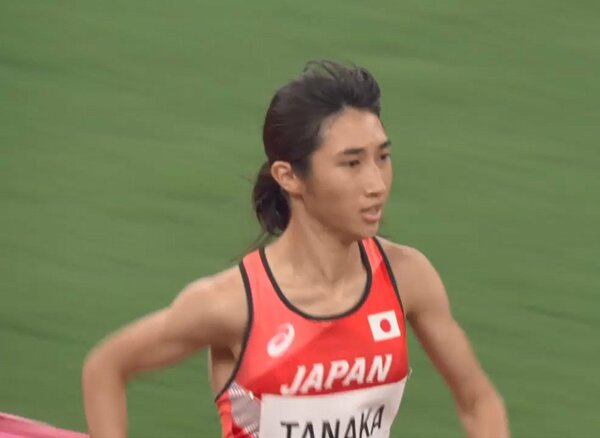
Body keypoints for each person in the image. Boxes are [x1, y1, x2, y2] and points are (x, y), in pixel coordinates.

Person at [82, 60, 509, 438]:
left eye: (382, 157)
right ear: (289, 176)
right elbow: (107, 368)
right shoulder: (232, 305)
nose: (377, 184)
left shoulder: (407, 277)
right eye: (352, 163)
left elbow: (478, 402)